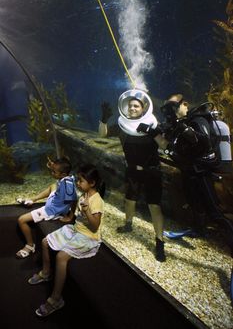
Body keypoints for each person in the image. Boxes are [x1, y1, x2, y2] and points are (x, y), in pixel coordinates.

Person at [28, 164, 105, 317]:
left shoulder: (97, 200)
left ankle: (56, 299)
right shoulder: (85, 195)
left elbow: (95, 226)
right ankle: (46, 272)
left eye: (81, 181)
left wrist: (87, 210)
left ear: (92, 183)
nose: (78, 183)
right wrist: (71, 216)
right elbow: (77, 211)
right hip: (75, 230)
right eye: (78, 180)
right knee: (45, 242)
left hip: (88, 237)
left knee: (61, 257)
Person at [99, 89, 167, 262]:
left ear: (143, 108)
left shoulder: (152, 124)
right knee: (129, 200)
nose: (132, 108)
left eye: (136, 105)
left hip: (152, 171)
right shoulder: (122, 126)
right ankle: (128, 224)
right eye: (130, 105)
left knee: (154, 206)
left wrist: (153, 132)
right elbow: (103, 134)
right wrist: (104, 119)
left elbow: (164, 145)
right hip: (132, 171)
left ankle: (159, 243)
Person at [161, 94, 233, 246]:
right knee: (195, 204)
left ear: (184, 104)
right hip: (191, 171)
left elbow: (204, 143)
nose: (170, 111)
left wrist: (185, 129)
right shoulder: (181, 123)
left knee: (215, 214)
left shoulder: (198, 119)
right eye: (167, 108)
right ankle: (198, 230)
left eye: (173, 107)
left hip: (204, 173)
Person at [16, 157, 78, 259]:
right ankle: (32, 200)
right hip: (55, 200)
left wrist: (70, 217)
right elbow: (59, 173)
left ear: (62, 174)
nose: (51, 173)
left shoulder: (68, 186)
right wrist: (52, 165)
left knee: (21, 220)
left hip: (51, 210)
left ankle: (30, 245)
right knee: (53, 186)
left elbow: (74, 200)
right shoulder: (65, 178)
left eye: (54, 172)